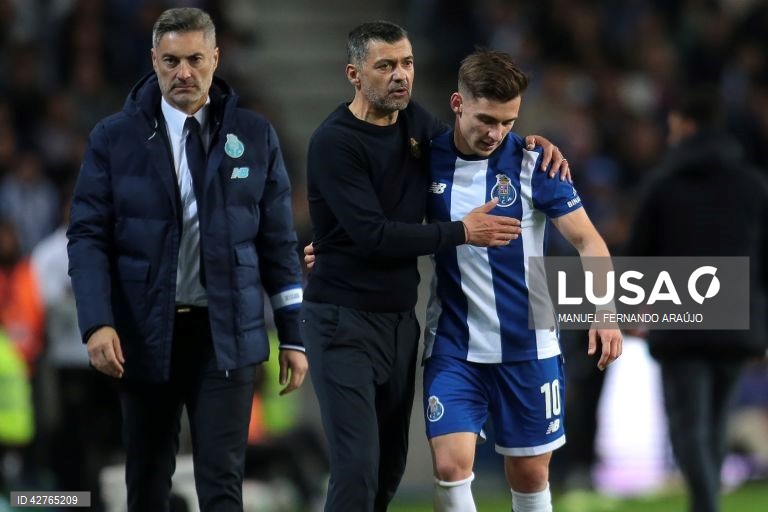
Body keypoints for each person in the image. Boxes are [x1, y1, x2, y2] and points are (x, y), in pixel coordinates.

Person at [301, 21, 570, 512]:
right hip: (342, 319)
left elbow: (476, 139)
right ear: (354, 75)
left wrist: (535, 145)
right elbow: (374, 234)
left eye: (406, 63)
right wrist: (463, 231)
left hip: (401, 323)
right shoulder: (334, 142)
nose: (400, 75)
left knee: (387, 469)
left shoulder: (415, 127)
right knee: (357, 467)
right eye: (385, 66)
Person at [66, 8, 308, 512]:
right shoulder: (113, 138)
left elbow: (279, 245)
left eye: (195, 59)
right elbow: (87, 238)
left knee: (222, 484)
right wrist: (96, 324)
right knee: (148, 481)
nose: (184, 73)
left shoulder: (256, 137)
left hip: (227, 333)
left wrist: (293, 334)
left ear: (215, 59)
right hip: (144, 333)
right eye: (171, 60)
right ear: (153, 60)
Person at [422, 50, 623, 512]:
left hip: (528, 348)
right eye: (486, 119)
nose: (496, 133)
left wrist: (605, 312)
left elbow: (590, 243)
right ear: (458, 103)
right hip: (454, 346)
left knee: (530, 477)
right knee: (451, 469)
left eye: (508, 122)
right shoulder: (425, 162)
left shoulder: (537, 165)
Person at [625, 86, 768, 512]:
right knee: (716, 421)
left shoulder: (663, 183)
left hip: (680, 315)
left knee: (689, 425)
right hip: (737, 319)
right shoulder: (754, 185)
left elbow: (638, 254)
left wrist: (632, 312)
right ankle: (706, 504)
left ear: (684, 124)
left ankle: (705, 506)